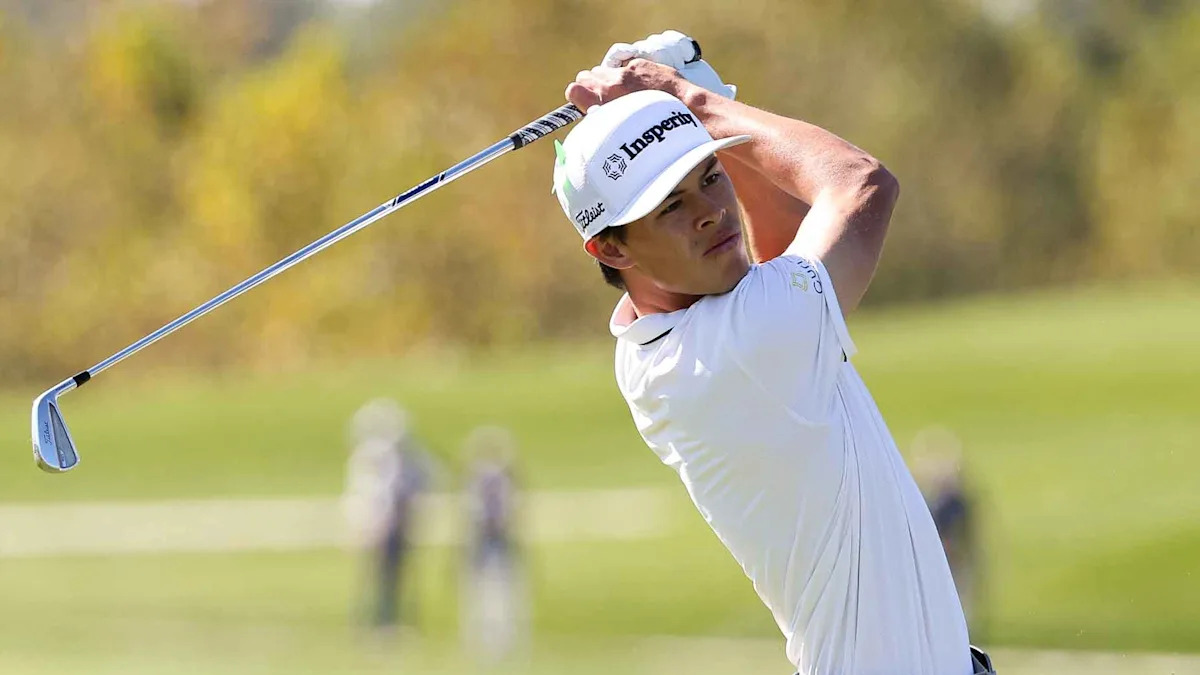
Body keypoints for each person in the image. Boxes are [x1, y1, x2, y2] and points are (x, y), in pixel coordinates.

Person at [551, 31, 995, 674]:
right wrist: (693, 99)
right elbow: (861, 183)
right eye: (671, 206)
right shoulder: (737, 350)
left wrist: (703, 107)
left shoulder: (674, 338)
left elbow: (783, 253)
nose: (712, 212)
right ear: (611, 248)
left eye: (711, 176)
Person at [342, 398, 432, 631]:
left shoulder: (397, 459)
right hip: (380, 523)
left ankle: (387, 619)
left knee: (391, 575)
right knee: (374, 574)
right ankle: (373, 619)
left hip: (392, 524)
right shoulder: (373, 461)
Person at [459, 425, 526, 662]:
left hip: (497, 541)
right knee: (480, 591)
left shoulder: (500, 480)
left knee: (500, 590)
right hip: (483, 541)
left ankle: (500, 639)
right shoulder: (480, 481)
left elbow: (507, 513)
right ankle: (483, 639)